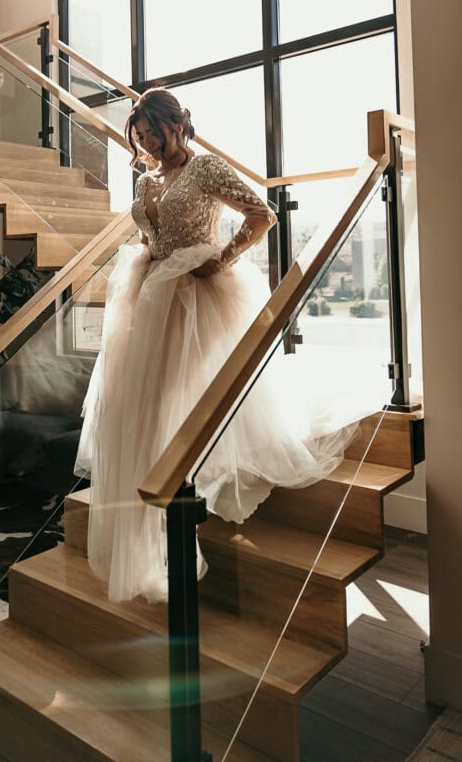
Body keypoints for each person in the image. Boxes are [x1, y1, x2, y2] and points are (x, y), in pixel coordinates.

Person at [75, 88, 372, 603]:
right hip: (150, 299)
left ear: (175, 125)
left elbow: (263, 216)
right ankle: (153, 533)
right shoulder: (147, 178)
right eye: (138, 136)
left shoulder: (205, 169)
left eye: (150, 133)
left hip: (198, 298)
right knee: (140, 409)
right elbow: (150, 236)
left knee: (188, 402)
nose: (144, 143)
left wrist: (222, 258)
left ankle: (184, 507)